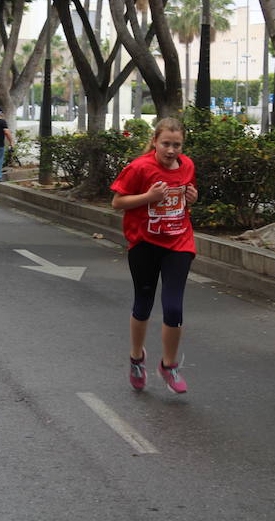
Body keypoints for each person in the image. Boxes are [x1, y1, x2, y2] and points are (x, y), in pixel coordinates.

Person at [110, 117, 198, 394]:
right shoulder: (139, 168)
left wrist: (192, 198)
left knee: (173, 306)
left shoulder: (187, 166)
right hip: (145, 243)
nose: (171, 150)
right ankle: (137, 358)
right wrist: (148, 197)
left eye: (177, 145)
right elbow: (117, 202)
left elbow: (184, 197)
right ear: (154, 142)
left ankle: (168, 365)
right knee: (144, 303)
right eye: (166, 144)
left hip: (178, 242)